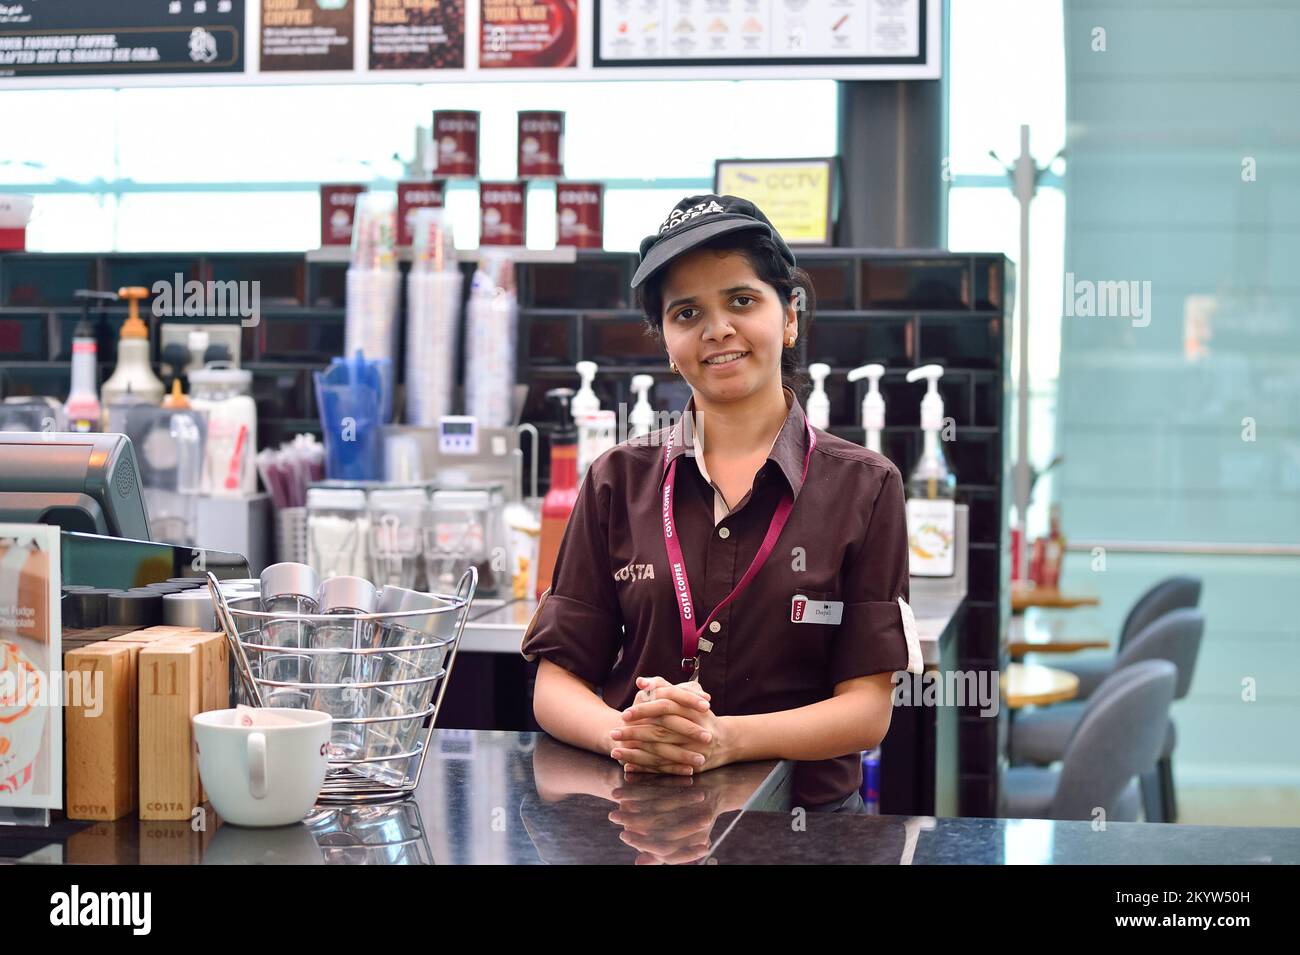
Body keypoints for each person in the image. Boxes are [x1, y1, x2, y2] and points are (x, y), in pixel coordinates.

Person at [522, 194, 922, 812]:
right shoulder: (615, 481)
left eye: (741, 300)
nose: (717, 330)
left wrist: (726, 740)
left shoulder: (865, 486)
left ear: (789, 316)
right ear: (667, 340)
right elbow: (556, 683)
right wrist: (630, 736)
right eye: (687, 313)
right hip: (638, 825)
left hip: (804, 832)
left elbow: (867, 710)